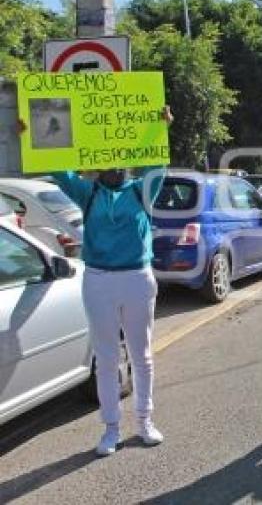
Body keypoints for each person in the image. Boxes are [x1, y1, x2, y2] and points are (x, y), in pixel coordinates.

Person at [19, 108, 171, 457]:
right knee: (105, 357)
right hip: (99, 280)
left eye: (119, 161)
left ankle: (145, 421)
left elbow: (156, 160)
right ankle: (111, 428)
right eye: (106, 162)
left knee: (142, 355)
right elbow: (59, 166)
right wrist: (31, 134)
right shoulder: (87, 193)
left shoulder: (141, 192)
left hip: (137, 278)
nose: (113, 168)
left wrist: (160, 126)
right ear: (98, 165)